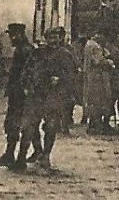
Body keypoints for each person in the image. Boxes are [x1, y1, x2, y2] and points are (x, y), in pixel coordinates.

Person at [21, 27, 77, 173]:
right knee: (30, 125)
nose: (53, 41)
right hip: (37, 94)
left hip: (54, 95)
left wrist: (60, 79)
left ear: (60, 38)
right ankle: (38, 150)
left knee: (51, 127)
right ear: (46, 38)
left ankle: (46, 154)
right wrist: (26, 85)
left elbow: (72, 75)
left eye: (56, 37)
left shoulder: (65, 55)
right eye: (50, 37)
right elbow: (27, 69)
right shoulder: (38, 53)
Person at [0, 23, 33, 169]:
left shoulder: (24, 51)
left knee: (15, 124)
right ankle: (13, 156)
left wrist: (21, 89)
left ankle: (16, 158)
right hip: (19, 93)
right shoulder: (24, 50)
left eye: (12, 35)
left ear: (20, 35)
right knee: (17, 124)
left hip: (20, 94)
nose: (11, 38)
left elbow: (24, 73)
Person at [82, 31, 116, 134]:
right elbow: (98, 61)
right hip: (98, 77)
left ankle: (93, 124)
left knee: (92, 100)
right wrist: (110, 62)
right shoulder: (95, 46)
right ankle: (97, 125)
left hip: (90, 75)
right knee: (100, 100)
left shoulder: (88, 44)